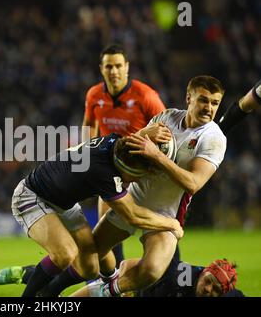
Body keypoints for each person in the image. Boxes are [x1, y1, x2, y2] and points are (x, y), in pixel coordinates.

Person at [35, 75, 227, 297]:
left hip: (166, 213)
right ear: (188, 98)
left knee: (152, 270)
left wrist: (157, 156)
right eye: (203, 100)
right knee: (91, 252)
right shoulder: (167, 117)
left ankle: (108, 291)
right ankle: (49, 290)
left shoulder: (214, 138)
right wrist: (144, 135)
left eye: (215, 103)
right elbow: (129, 151)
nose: (208, 108)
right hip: (133, 198)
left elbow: (193, 183)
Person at [11, 125, 183, 297]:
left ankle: (43, 286)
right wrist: (172, 223)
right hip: (33, 196)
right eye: (137, 176)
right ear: (127, 170)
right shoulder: (104, 175)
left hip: (64, 203)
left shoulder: (114, 141)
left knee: (90, 268)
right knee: (65, 254)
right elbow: (133, 215)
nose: (136, 182)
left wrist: (145, 134)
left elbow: (128, 142)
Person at [82, 44, 167, 267]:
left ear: (127, 67)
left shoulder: (146, 95)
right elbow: (89, 124)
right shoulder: (94, 94)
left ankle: (166, 274)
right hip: (109, 169)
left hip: (142, 173)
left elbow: (167, 128)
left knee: (155, 227)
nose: (114, 71)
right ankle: (115, 282)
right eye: (109, 66)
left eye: (118, 65)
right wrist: (86, 153)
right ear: (101, 68)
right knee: (106, 225)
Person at [0, 257, 244, 297]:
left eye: (215, 291)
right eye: (209, 282)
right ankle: (27, 274)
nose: (208, 290)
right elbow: (135, 264)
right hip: (124, 286)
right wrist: (117, 282)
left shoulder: (222, 291)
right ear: (205, 272)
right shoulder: (184, 275)